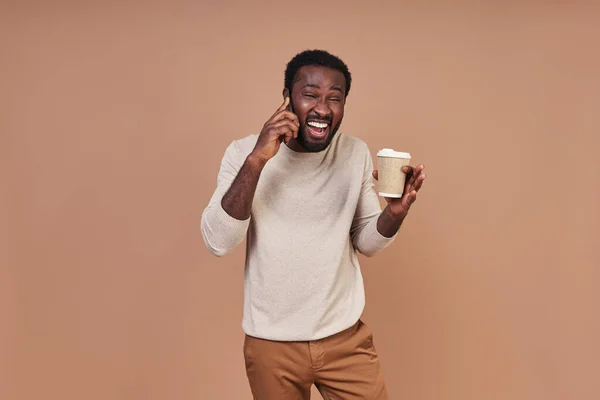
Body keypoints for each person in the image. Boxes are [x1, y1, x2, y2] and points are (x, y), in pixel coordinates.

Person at [201, 49, 426, 399]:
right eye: (310, 95)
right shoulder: (244, 153)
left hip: (344, 339)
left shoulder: (354, 154)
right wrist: (258, 160)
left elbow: (366, 242)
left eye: (334, 98)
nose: (322, 108)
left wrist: (393, 214)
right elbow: (218, 241)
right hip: (271, 345)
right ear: (287, 98)